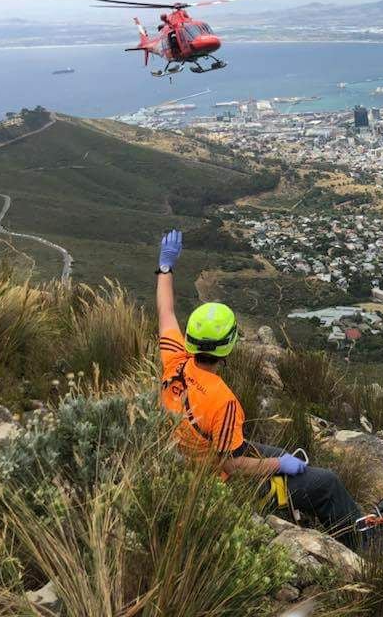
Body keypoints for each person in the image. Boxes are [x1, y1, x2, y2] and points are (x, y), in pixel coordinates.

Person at [154, 229, 362, 544]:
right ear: (227, 347)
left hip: (188, 460)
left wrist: (166, 267)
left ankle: (282, 503)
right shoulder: (223, 401)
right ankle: (360, 544)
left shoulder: (175, 360)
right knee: (327, 483)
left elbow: (166, 311)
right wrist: (279, 465)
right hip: (215, 478)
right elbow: (232, 464)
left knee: (283, 457)